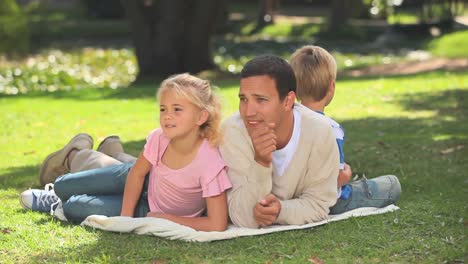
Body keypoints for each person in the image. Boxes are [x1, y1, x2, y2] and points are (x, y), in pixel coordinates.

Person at [20, 73, 232, 232]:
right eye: (163, 109)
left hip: (148, 209)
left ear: (201, 117)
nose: (167, 116)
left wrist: (165, 218)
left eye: (177, 109)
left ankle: (56, 204)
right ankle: (55, 191)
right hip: (133, 177)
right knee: (62, 184)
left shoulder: (209, 162)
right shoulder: (159, 137)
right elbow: (138, 174)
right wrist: (125, 218)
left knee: (74, 206)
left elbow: (217, 223)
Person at [219, 55, 341, 228]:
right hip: (305, 200)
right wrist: (261, 162)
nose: (248, 112)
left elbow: (318, 205)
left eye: (260, 99)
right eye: (243, 99)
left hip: (330, 191)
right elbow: (242, 217)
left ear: (288, 101)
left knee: (387, 187)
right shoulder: (232, 132)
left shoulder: (319, 130)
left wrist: (280, 211)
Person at [289, 45, 401, 214]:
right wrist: (345, 176)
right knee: (392, 184)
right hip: (330, 201)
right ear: (331, 87)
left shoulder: (287, 120)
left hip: (294, 195)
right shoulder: (331, 129)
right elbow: (334, 179)